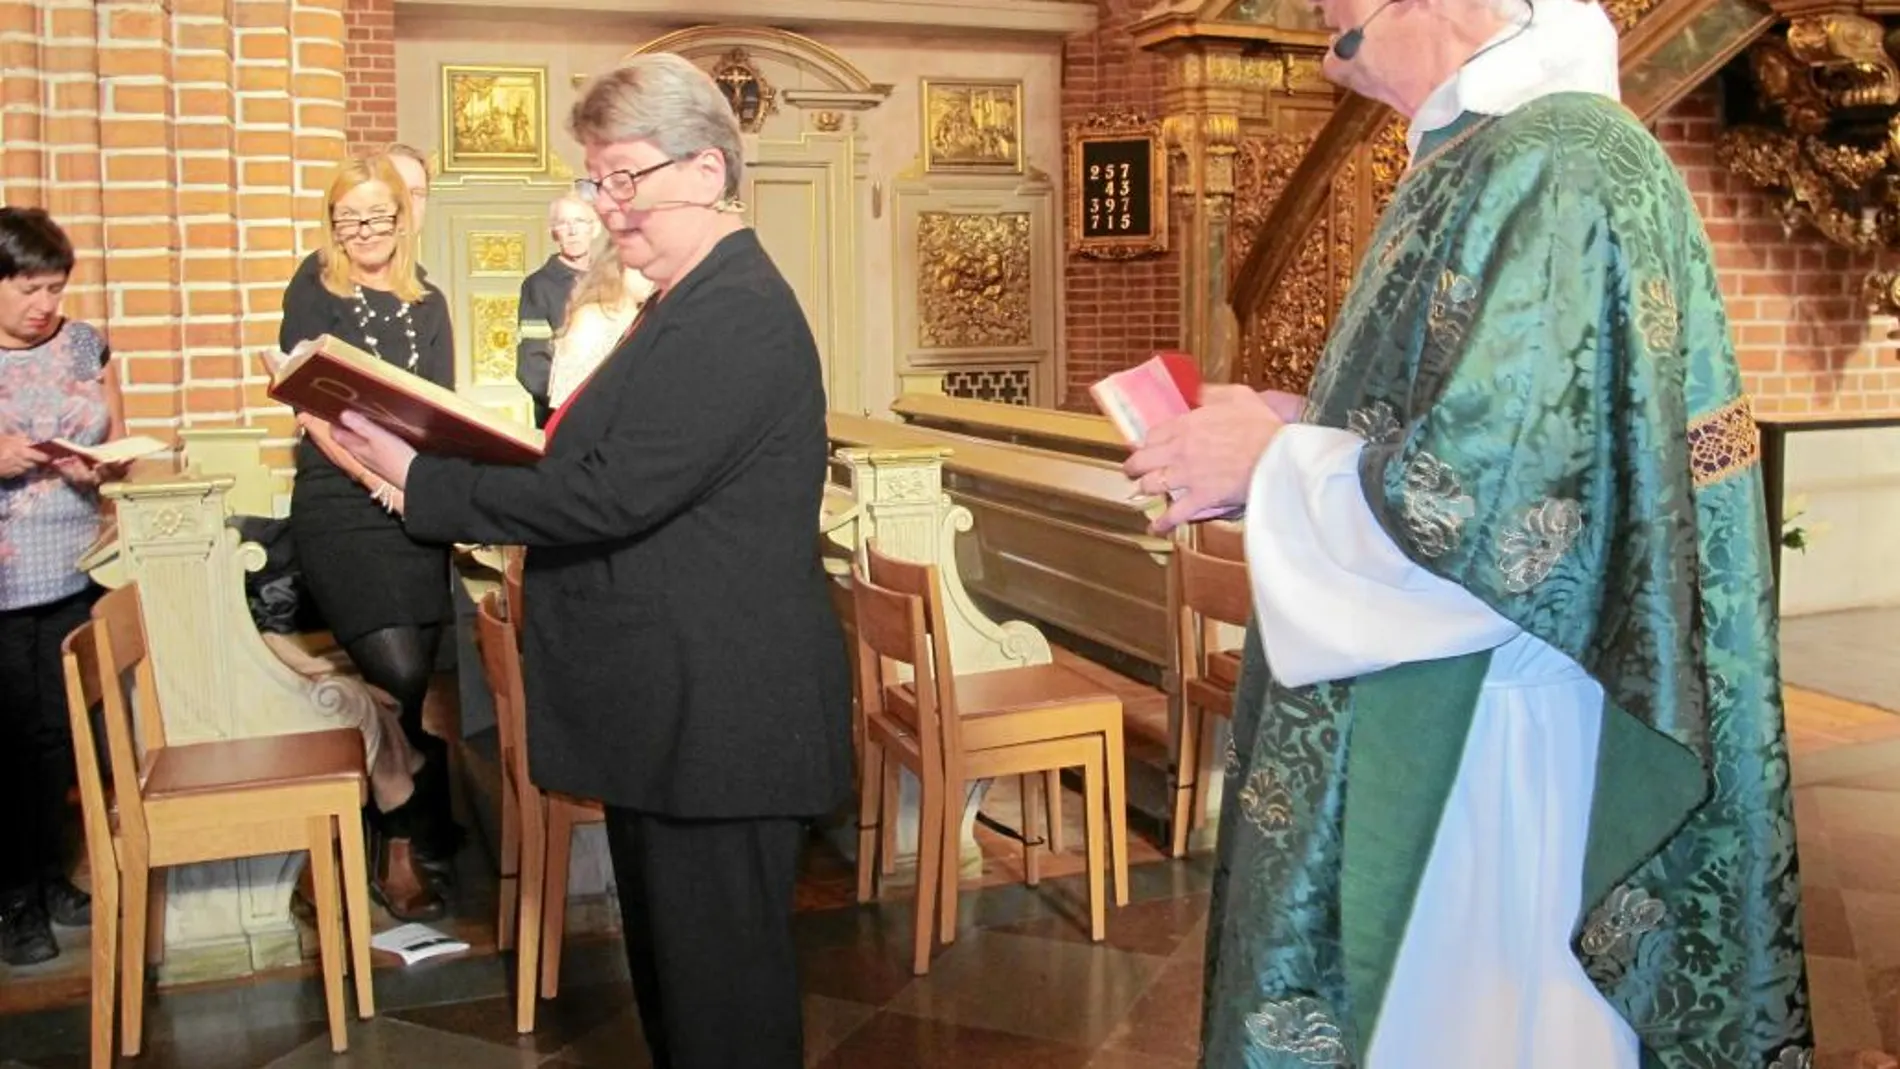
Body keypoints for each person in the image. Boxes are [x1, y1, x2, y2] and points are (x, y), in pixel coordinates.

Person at [1122, 2, 1812, 1066]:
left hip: (1494, 736)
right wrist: (1292, 424)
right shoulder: (1486, 150)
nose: (1320, 7)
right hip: (1455, 704)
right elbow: (1479, 414)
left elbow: (1508, 499)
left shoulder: (1560, 160)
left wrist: (1271, 469)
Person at [330, 55, 852, 1069]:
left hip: (722, 717)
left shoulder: (736, 309)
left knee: (724, 1012)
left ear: (707, 171)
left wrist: (423, 481)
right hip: (681, 712)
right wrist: (438, 457)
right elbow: (593, 462)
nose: (608, 208)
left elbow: (607, 492)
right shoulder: (686, 299)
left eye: (624, 179)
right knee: (684, 993)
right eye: (595, 182)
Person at [277, 152, 459, 922]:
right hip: (341, 503)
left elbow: (439, 406)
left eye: (378, 216)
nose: (365, 232)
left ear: (403, 218)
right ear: (333, 223)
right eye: (349, 218)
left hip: (413, 506)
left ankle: (388, 841)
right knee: (397, 662)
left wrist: (420, 481)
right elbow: (311, 409)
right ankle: (408, 784)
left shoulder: (431, 300)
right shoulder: (314, 287)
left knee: (411, 682)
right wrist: (376, 476)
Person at [0, 207, 126, 965]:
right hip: (3, 581)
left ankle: (49, 878)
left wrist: (101, 465)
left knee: (58, 738)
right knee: (7, 742)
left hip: (71, 567)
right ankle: (13, 894)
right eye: (28, 288)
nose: (46, 304)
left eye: (55, 287)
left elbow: (115, 444)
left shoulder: (83, 343)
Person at [290, 143, 431, 292]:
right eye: (398, 191)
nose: (407, 204)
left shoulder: (427, 295)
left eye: (416, 193)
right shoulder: (320, 277)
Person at [516, 193, 601, 426]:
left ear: (595, 229)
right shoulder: (539, 285)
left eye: (580, 222)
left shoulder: (613, 281)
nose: (572, 231)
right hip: (562, 416)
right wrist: (571, 401)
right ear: (554, 232)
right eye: (564, 223)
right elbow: (532, 364)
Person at [547, 233, 653, 409]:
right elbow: (569, 395)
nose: (652, 276)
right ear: (618, 266)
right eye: (643, 266)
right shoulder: (592, 318)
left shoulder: (648, 316)